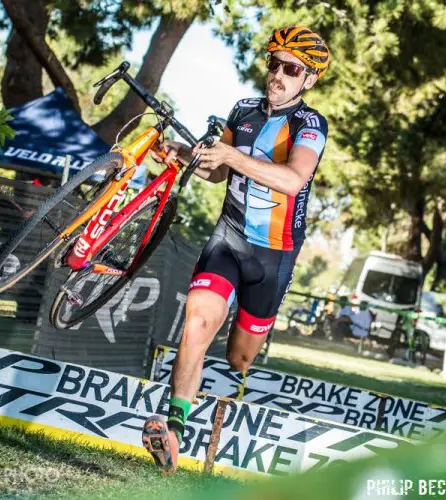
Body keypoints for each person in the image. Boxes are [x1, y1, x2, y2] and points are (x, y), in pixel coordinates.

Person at [141, 26, 331, 475]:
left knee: (238, 357)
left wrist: (229, 156)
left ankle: (232, 362)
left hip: (274, 256)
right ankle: (173, 431)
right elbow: (214, 170)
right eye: (274, 64)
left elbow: (292, 179)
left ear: (309, 80)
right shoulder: (243, 111)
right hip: (229, 237)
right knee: (197, 321)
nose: (278, 75)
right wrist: (185, 153)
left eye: (292, 69)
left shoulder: (310, 125)